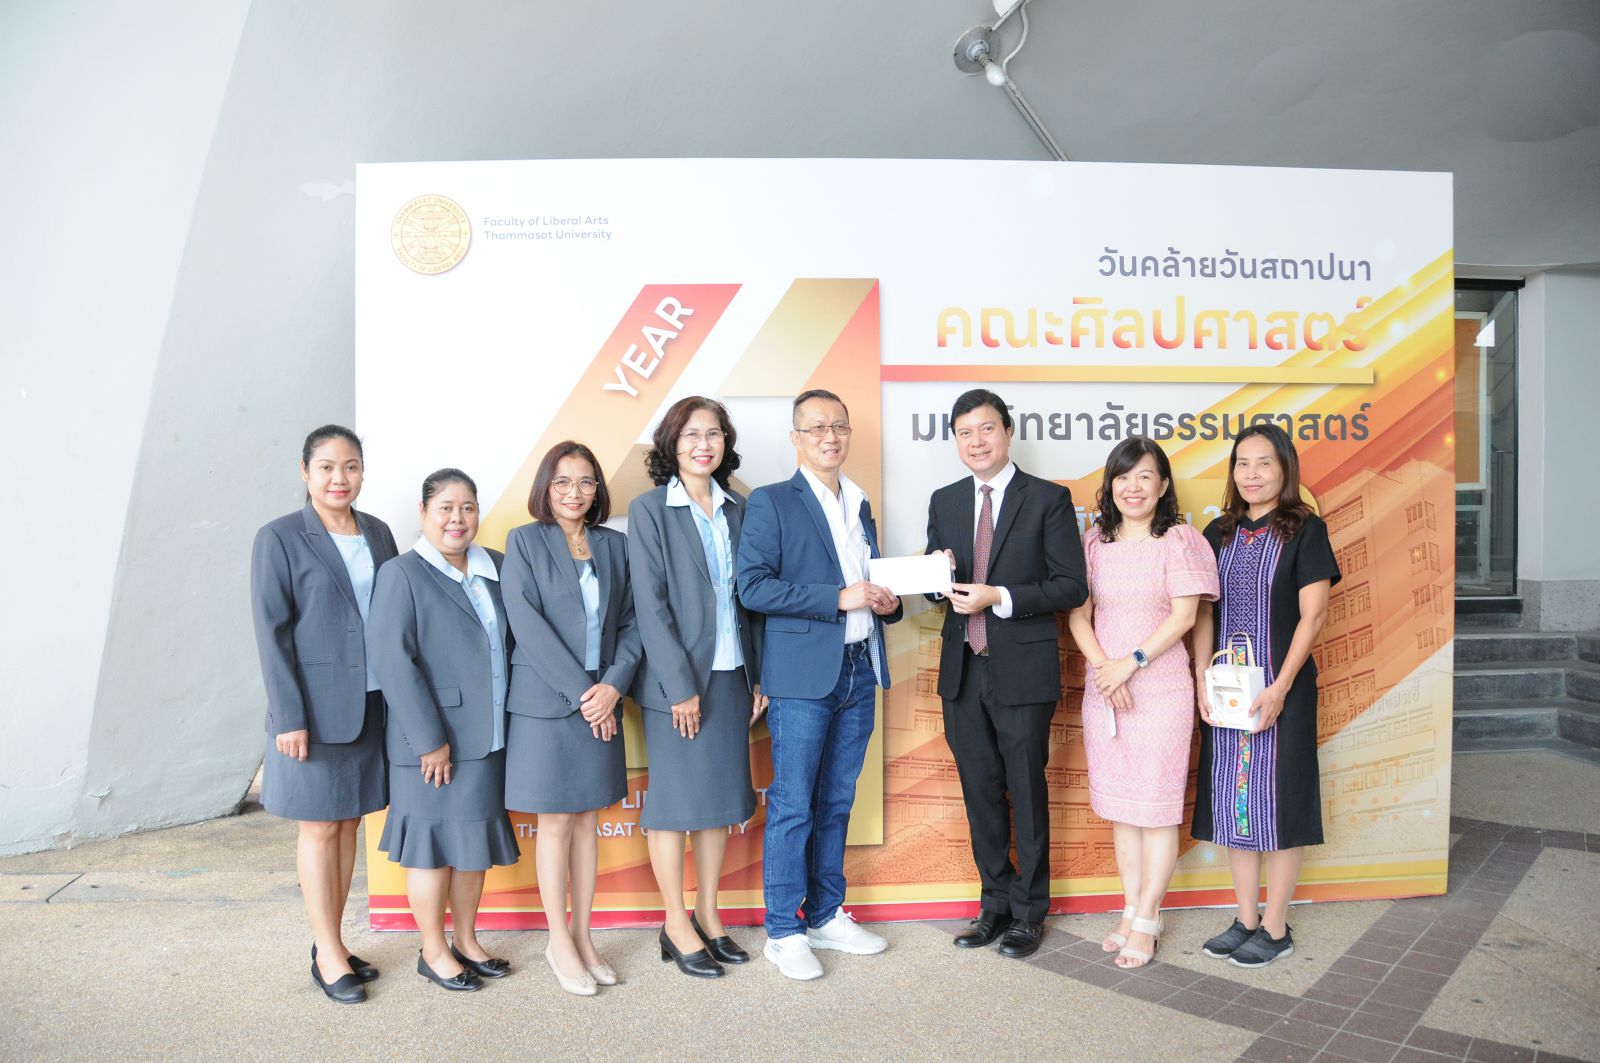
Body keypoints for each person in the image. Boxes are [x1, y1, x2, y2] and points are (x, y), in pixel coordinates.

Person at [735, 388, 903, 981]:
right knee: (793, 804)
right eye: (816, 428)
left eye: (839, 426)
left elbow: (867, 582)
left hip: (859, 668)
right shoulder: (772, 501)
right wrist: (837, 598)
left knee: (836, 801)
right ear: (796, 438)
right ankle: (784, 930)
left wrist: (885, 599)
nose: (830, 437)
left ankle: (827, 913)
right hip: (803, 676)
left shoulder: (859, 501)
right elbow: (753, 586)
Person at [923, 389, 1087, 960]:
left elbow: (1071, 586)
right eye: (965, 433)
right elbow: (935, 585)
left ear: (1008, 431)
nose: (977, 441)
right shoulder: (944, 500)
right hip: (963, 671)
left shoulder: (1047, 499)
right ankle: (993, 904)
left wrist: (1000, 596)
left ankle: (1029, 911)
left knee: (1026, 789)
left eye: (986, 429)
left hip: (1022, 670)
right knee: (981, 791)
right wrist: (934, 578)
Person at [250, 424, 397, 1004]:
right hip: (311, 711)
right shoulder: (280, 537)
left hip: (371, 703)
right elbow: (272, 633)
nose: (340, 478)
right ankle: (329, 953)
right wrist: (289, 715)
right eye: (328, 467)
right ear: (305, 472)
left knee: (349, 822)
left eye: (351, 466)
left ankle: (330, 942)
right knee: (319, 828)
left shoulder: (378, 532)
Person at [1190, 422, 1340, 968]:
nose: (1251, 474)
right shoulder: (1219, 531)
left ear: (1285, 469)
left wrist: (1280, 687)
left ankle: (1276, 927)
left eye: (1264, 463)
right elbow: (1202, 612)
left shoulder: (1306, 530)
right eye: (1242, 463)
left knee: (1279, 802)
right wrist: (1201, 677)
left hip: (1283, 690)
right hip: (1228, 694)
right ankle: (1246, 919)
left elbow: (1313, 616)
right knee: (1236, 802)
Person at [627, 397, 767, 979]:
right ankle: (674, 922)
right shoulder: (650, 510)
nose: (703, 444)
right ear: (671, 443)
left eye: (713, 434)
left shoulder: (741, 508)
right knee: (672, 806)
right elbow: (650, 606)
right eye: (690, 434)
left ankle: (708, 914)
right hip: (678, 683)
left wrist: (759, 676)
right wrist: (679, 687)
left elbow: (753, 598)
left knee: (717, 802)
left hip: (733, 675)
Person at [1065, 437, 1218, 968]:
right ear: (1110, 485)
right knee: (1122, 811)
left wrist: (1128, 664)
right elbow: (1079, 616)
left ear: (1164, 485)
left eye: (1145, 476)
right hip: (1106, 689)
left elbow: (1185, 616)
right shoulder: (1092, 542)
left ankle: (1149, 918)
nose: (1133, 487)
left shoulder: (1180, 540)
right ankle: (1130, 909)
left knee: (1156, 811)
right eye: (1123, 477)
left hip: (1161, 691)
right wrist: (1105, 671)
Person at [369, 468, 520, 992]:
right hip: (434, 743)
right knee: (432, 850)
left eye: (467, 508)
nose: (458, 519)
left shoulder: (496, 567)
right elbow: (393, 662)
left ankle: (468, 941)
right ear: (423, 513)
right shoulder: (401, 574)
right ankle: (433, 950)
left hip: (488, 736)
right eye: (446, 508)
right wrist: (429, 741)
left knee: (471, 845)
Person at [502, 441, 642, 996]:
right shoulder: (524, 541)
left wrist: (613, 686)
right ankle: (558, 940)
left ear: (597, 489)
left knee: (587, 823)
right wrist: (589, 695)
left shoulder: (614, 545)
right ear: (546, 486)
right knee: (557, 823)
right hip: (549, 704)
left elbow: (632, 624)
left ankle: (584, 936)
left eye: (585, 481)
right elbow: (527, 626)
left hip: (602, 697)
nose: (574, 492)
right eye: (562, 481)